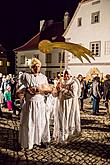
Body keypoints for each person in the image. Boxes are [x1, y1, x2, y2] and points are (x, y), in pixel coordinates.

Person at [18, 58, 53, 150]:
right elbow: (19, 90)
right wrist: (26, 90)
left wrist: (40, 90)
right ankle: (27, 142)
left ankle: (41, 140)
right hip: (30, 104)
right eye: (34, 66)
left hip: (40, 103)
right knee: (28, 123)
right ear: (31, 67)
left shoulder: (43, 77)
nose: (37, 68)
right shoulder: (25, 76)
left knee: (41, 122)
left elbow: (49, 89)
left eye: (38, 66)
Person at [52, 69, 81, 144]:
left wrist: (61, 89)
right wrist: (56, 89)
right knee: (60, 119)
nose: (66, 76)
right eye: (65, 74)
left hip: (69, 105)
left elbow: (73, 94)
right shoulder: (60, 82)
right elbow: (54, 95)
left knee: (67, 119)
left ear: (70, 75)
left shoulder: (73, 83)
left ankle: (67, 136)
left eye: (67, 74)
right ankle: (60, 136)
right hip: (60, 104)